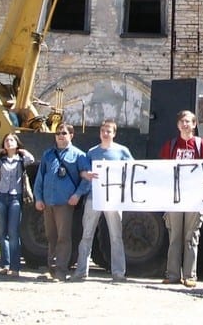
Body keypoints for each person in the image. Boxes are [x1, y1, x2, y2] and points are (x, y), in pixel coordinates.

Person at [72, 118, 134, 282]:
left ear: (114, 133)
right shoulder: (92, 152)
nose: (105, 134)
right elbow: (84, 174)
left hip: (113, 199)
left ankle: (118, 273)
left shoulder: (122, 151)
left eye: (108, 131)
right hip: (94, 198)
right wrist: (82, 183)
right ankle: (81, 271)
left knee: (116, 236)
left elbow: (132, 170)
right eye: (103, 131)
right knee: (86, 235)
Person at [159, 109, 203, 288]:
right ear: (178, 125)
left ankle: (190, 275)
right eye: (182, 121)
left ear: (194, 124)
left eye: (188, 121)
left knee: (191, 236)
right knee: (174, 236)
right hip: (174, 197)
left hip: (194, 197)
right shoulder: (170, 145)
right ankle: (173, 274)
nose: (185, 124)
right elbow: (162, 171)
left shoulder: (202, 146)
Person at [34, 123, 90, 282]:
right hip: (48, 201)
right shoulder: (48, 154)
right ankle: (51, 269)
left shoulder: (79, 155)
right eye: (58, 133)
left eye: (64, 133)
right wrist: (38, 198)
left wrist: (77, 195)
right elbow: (40, 177)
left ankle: (60, 271)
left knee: (63, 238)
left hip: (65, 202)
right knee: (51, 236)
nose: (60, 136)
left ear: (71, 135)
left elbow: (87, 178)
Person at [0, 132, 35, 277]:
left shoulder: (21, 160)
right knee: (3, 232)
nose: (8, 142)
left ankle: (15, 267)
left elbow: (31, 159)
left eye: (12, 140)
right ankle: (4, 265)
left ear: (17, 143)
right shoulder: (1, 160)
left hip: (15, 197)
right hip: (1, 196)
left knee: (13, 233)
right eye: (6, 140)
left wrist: (23, 151)